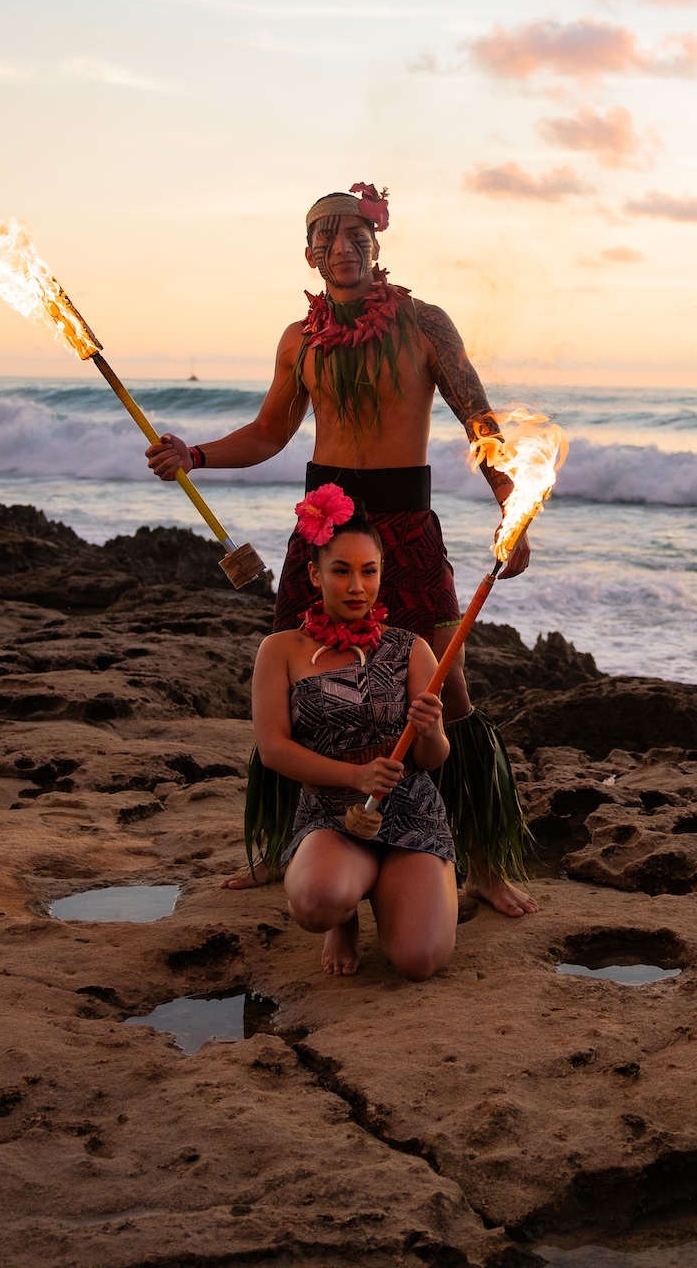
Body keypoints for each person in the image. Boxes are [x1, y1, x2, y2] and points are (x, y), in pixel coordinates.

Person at [145, 181, 539, 917]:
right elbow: (270, 433)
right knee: (294, 679)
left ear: (377, 245)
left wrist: (510, 508)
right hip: (323, 524)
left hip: (406, 524)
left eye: (357, 236)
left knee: (449, 687)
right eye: (326, 238)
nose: (343, 248)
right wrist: (193, 455)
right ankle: (280, 847)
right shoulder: (299, 339)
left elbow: (478, 421)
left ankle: (482, 860)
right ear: (309, 254)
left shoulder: (425, 324)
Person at [250, 493, 456, 979]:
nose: (357, 586)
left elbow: (433, 757)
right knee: (317, 902)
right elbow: (274, 749)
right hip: (331, 814)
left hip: (410, 812)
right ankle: (343, 918)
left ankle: (395, 888)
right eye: (341, 571)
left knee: (419, 962)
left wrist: (429, 729)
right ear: (314, 574)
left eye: (369, 571)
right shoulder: (281, 650)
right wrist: (355, 776)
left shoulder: (411, 649)